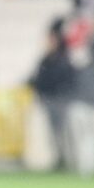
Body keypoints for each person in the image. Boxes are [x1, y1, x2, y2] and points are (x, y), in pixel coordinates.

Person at [30, 27, 77, 171]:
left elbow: (68, 79)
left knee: (63, 130)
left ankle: (68, 159)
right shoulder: (46, 60)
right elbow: (39, 79)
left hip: (60, 99)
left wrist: (63, 93)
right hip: (49, 99)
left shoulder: (62, 59)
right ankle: (59, 159)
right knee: (54, 132)